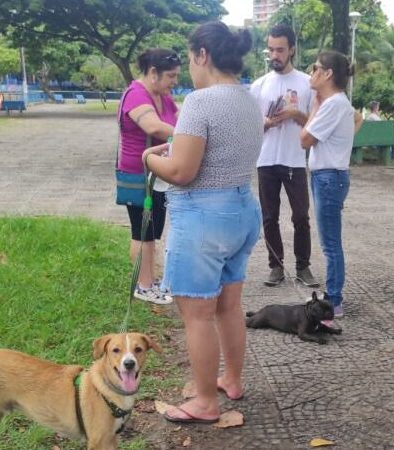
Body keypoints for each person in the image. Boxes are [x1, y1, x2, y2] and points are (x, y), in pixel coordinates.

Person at [142, 22, 262, 423]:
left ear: (202, 55)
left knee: (196, 314)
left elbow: (181, 172)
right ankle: (232, 379)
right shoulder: (248, 99)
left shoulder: (200, 102)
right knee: (229, 306)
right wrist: (173, 152)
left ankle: (206, 401)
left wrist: (148, 159)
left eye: (190, 57)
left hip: (204, 217)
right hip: (242, 209)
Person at [250, 24, 319, 288]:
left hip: (294, 160)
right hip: (266, 160)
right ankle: (275, 266)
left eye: (280, 49)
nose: (274, 55)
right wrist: (266, 123)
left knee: (301, 216)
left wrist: (295, 115)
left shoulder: (306, 84)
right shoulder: (259, 85)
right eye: (271, 50)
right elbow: (250, 125)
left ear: (292, 49)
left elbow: (315, 123)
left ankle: (303, 266)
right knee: (269, 217)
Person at [301, 51, 362, 326]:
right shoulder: (338, 104)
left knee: (330, 245)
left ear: (327, 74)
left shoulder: (333, 104)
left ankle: (334, 301)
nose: (311, 73)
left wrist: (315, 107)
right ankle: (333, 296)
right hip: (328, 176)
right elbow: (356, 119)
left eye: (315, 68)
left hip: (329, 177)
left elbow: (304, 139)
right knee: (330, 243)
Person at [117, 48, 181, 304]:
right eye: (171, 76)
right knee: (141, 231)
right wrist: (189, 136)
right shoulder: (135, 94)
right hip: (138, 174)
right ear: (153, 72)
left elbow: (180, 119)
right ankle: (142, 286)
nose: (175, 82)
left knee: (153, 231)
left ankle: (149, 280)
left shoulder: (163, 95)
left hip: (158, 173)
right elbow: (153, 126)